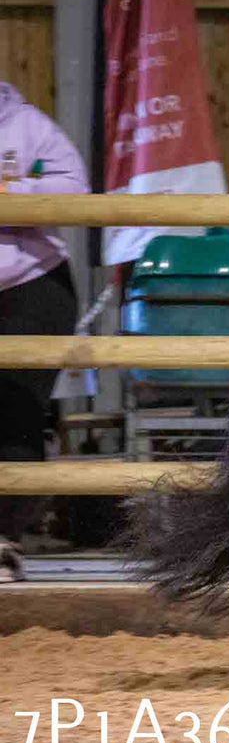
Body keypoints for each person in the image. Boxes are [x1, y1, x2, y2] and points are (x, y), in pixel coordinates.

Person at [0, 81, 90, 581]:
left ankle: (3, 540)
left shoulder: (26, 123)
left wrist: (13, 192)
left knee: (16, 413)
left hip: (30, 288)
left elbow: (73, 187)